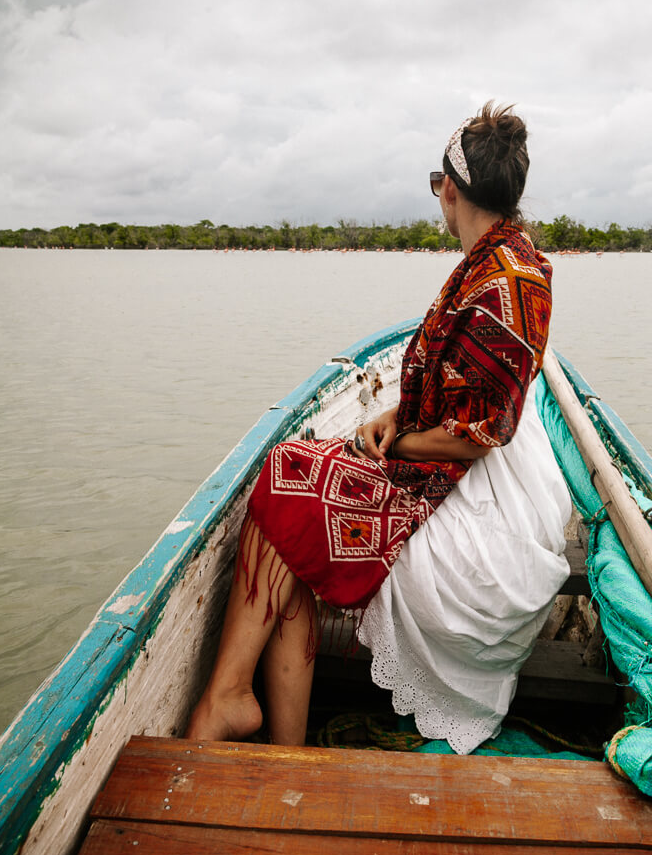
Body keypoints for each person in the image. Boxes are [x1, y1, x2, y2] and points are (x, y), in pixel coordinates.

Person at [186, 102, 571, 751]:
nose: (437, 199)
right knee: (292, 492)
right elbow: (458, 391)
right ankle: (272, 739)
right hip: (454, 466)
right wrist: (396, 412)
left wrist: (399, 437)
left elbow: (477, 436)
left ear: (451, 189)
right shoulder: (500, 260)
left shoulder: (503, 280)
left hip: (467, 499)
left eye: (436, 186)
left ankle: (230, 699)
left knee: (288, 483)